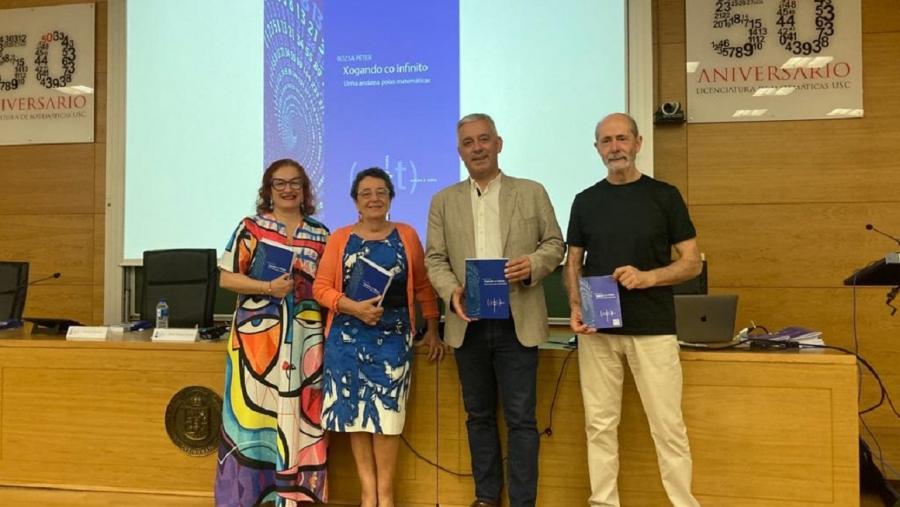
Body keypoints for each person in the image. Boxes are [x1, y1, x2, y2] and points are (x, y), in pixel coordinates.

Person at [425, 113, 565, 507]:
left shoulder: (532, 191)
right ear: (460, 152)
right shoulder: (443, 201)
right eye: (468, 143)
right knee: (479, 416)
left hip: (517, 321)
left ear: (499, 143)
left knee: (522, 419)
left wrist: (533, 265)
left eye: (484, 139)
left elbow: (555, 244)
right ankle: (487, 497)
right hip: (467, 323)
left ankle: (522, 502)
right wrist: (451, 291)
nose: (477, 148)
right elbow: (434, 259)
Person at [564, 113, 702, 507]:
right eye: (606, 141)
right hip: (598, 332)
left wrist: (649, 278)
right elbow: (573, 263)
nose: (615, 147)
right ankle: (604, 502)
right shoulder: (585, 201)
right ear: (597, 149)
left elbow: (691, 262)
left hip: (654, 330)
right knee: (600, 426)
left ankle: (682, 503)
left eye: (622, 138)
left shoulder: (665, 196)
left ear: (638, 143)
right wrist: (575, 306)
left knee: (668, 427)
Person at [312, 167, 444, 507]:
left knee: (387, 419)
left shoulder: (407, 234)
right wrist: (353, 308)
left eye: (381, 192)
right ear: (356, 200)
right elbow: (321, 288)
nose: (374, 198)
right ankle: (367, 495)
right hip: (347, 340)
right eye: (366, 192)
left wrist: (432, 327)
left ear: (390, 198)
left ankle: (386, 496)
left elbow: (426, 286)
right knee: (357, 416)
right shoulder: (340, 237)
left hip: (394, 340)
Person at [214, 159, 330, 506]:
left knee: (303, 420)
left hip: (306, 341)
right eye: (280, 183)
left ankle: (297, 499)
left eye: (295, 183)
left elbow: (326, 287)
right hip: (257, 341)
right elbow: (226, 278)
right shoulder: (251, 227)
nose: (288, 189)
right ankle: (246, 498)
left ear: (305, 190)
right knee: (254, 420)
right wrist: (266, 286)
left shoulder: (321, 234)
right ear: (268, 190)